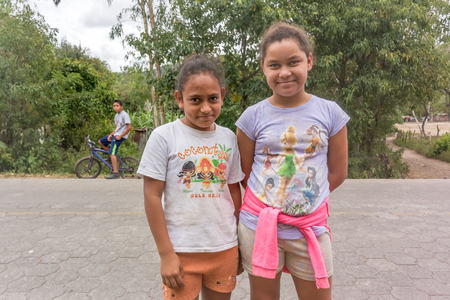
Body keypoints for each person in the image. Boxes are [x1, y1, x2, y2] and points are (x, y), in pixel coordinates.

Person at [236, 22, 350, 300]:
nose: (284, 72)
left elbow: (338, 172)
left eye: (294, 62)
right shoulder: (251, 117)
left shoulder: (331, 113)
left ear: (309, 62)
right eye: (274, 65)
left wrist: (305, 200)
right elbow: (245, 172)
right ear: (263, 67)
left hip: (310, 227)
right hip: (258, 226)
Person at [137, 54, 244, 300]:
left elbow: (234, 191)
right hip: (181, 252)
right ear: (179, 99)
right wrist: (166, 254)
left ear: (223, 95)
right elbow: (152, 196)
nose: (205, 108)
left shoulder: (228, 138)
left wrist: (240, 244)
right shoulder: (164, 137)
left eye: (213, 99)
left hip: (224, 248)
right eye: (195, 100)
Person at [98, 99, 132, 179]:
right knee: (101, 141)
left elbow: (129, 127)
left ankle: (116, 173)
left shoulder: (124, 115)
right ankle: (111, 156)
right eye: (114, 106)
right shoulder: (116, 115)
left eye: (117, 106)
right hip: (116, 134)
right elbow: (118, 128)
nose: (115, 107)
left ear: (121, 107)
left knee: (112, 153)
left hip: (120, 136)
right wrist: (111, 134)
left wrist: (120, 136)